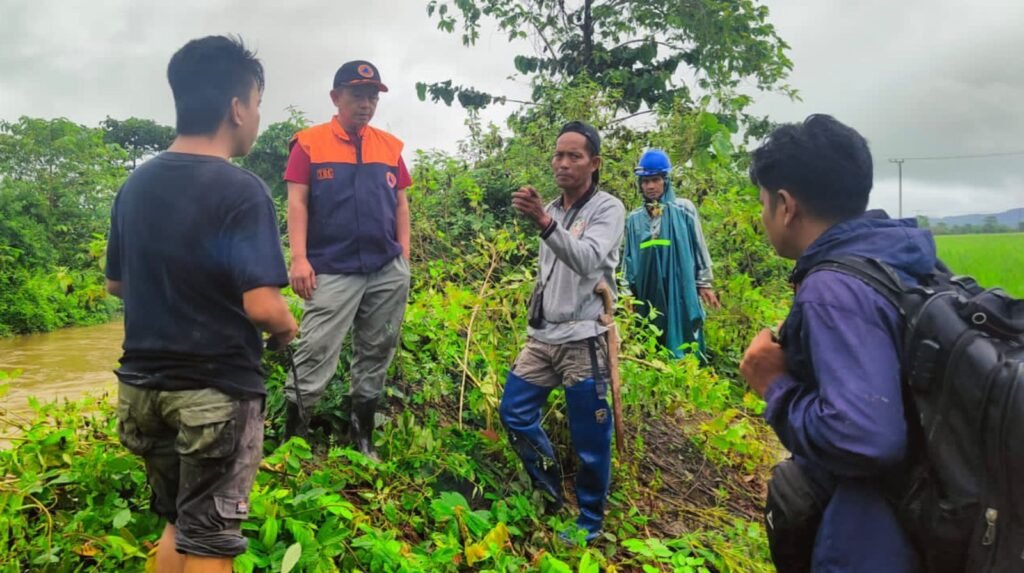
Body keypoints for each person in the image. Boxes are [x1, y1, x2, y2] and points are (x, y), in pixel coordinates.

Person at [105, 36, 297, 573]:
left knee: (178, 522)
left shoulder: (135, 185)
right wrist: (286, 330)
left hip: (141, 392)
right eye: (257, 104)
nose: (257, 117)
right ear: (237, 108)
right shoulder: (241, 190)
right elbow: (263, 306)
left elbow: (117, 286)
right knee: (211, 543)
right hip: (212, 395)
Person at [740, 114, 934, 572]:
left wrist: (774, 386)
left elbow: (866, 438)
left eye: (763, 201)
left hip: (875, 538)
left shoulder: (833, 288)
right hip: (923, 516)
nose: (764, 214)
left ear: (785, 205)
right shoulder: (894, 256)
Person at [499, 121, 626, 543]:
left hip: (584, 340)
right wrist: (544, 217)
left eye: (575, 155)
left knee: (590, 437)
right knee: (515, 411)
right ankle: (550, 492)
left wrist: (541, 222)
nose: (564, 163)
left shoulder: (608, 209)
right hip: (543, 337)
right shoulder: (551, 209)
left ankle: (590, 520)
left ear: (595, 163)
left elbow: (589, 261)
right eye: (559, 154)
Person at [282, 60, 412, 461]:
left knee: (377, 350)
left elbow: (401, 204)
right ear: (336, 97)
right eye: (357, 95)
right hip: (332, 268)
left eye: (372, 96)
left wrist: (403, 257)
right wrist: (299, 259)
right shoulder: (308, 143)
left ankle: (363, 438)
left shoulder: (390, 146)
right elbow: (297, 202)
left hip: (385, 270)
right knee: (315, 350)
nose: (366, 104)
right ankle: (293, 443)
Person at [623, 149, 719, 360]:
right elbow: (628, 259)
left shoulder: (684, 209)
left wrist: (704, 282)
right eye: (645, 181)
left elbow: (698, 247)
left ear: (665, 181)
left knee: (685, 335)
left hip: (679, 285)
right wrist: (626, 293)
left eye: (655, 180)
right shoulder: (634, 219)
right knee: (650, 336)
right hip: (648, 288)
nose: (650, 186)